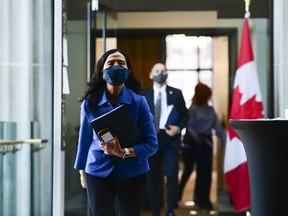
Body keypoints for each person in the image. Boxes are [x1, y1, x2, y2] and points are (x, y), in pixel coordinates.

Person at [73, 48, 158, 216]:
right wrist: (82, 172)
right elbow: (84, 141)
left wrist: (123, 152)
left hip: (133, 171)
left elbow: (152, 144)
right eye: (110, 63)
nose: (116, 66)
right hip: (97, 170)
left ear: (128, 71)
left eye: (121, 63)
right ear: (101, 71)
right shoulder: (90, 104)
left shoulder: (139, 103)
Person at [143, 62, 188, 216]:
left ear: (167, 73)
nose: (160, 73)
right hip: (151, 140)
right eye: (157, 70)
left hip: (170, 139)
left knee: (171, 174)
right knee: (152, 177)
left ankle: (170, 210)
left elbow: (185, 116)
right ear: (151, 74)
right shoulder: (143, 95)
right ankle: (155, 211)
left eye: (163, 70)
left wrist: (178, 128)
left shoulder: (176, 93)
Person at [178, 82, 226, 211]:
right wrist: (196, 137)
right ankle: (197, 198)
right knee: (200, 169)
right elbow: (189, 125)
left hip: (207, 143)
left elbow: (217, 127)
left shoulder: (210, 110)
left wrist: (228, 140)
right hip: (195, 143)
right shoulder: (193, 109)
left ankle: (204, 199)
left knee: (206, 171)